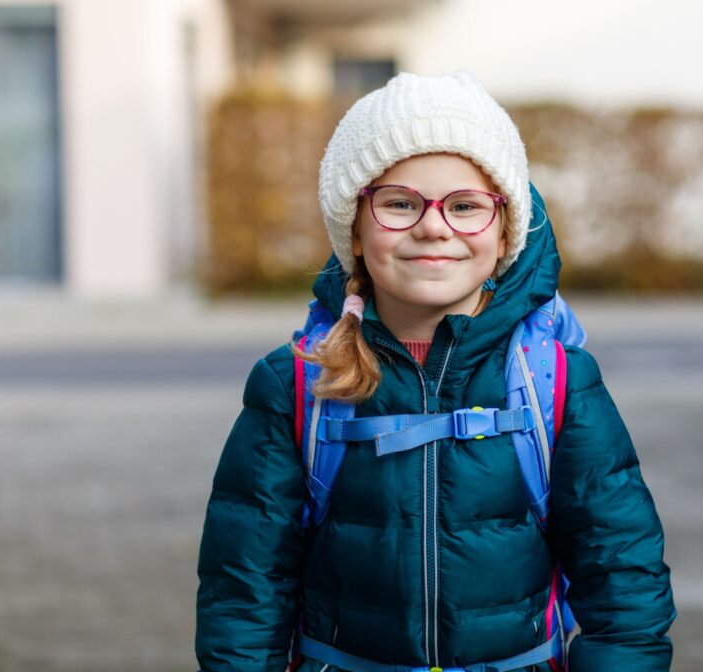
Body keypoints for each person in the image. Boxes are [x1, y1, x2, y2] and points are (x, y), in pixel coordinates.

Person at [195, 70, 676, 672]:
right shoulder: (298, 383)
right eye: (399, 203)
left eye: (466, 206)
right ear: (356, 228)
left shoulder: (554, 380)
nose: (433, 226)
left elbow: (623, 580)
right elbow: (244, 587)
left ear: (505, 234)